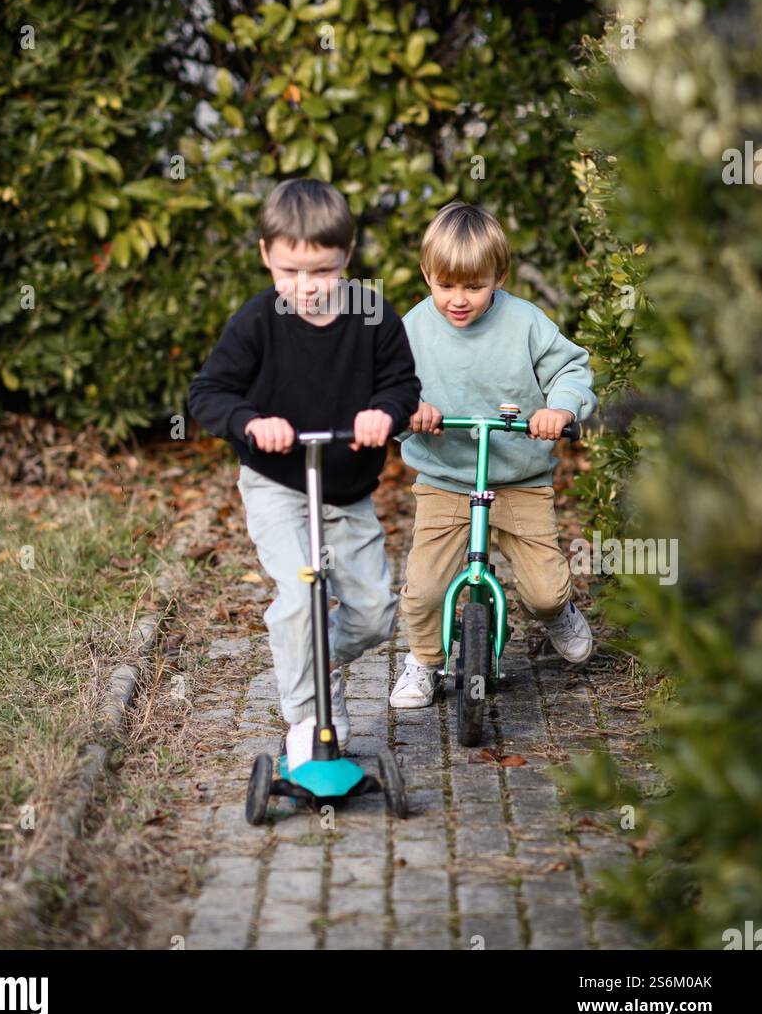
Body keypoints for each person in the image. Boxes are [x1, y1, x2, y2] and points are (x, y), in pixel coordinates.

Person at [188, 179, 421, 768]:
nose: (305, 287)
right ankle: (304, 716)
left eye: (320, 271)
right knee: (299, 594)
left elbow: (402, 385)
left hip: (345, 489)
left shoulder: (372, 315)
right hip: (278, 483)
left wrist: (384, 413)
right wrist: (250, 422)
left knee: (374, 613)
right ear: (266, 254)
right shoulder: (259, 321)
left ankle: (320, 661)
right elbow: (208, 393)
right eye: (290, 271)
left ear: (346, 255)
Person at [390, 200, 598, 710]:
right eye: (445, 286)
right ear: (426, 275)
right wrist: (408, 407)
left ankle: (557, 613)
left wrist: (560, 408)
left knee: (545, 589)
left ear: (499, 276)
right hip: (445, 478)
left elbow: (570, 370)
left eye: (474, 287)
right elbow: (384, 384)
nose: (458, 299)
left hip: (518, 477)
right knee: (422, 589)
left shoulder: (525, 323)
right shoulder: (412, 329)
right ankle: (422, 658)